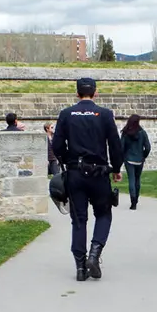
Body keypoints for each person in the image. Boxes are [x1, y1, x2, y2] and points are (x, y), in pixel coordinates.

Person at [52, 77, 123, 281]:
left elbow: (57, 145)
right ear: (95, 93)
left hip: (76, 173)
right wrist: (116, 168)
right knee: (103, 214)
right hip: (99, 173)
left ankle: (81, 267)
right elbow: (115, 145)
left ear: (77, 94)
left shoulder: (66, 114)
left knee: (78, 220)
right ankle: (94, 253)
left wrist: (68, 161)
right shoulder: (105, 115)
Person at [120, 114, 151, 210]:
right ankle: (136, 198)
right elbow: (148, 147)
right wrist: (143, 155)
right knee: (137, 179)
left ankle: (133, 202)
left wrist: (122, 157)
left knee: (131, 180)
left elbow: (121, 147)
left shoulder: (125, 133)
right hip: (139, 159)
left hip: (129, 159)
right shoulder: (143, 133)